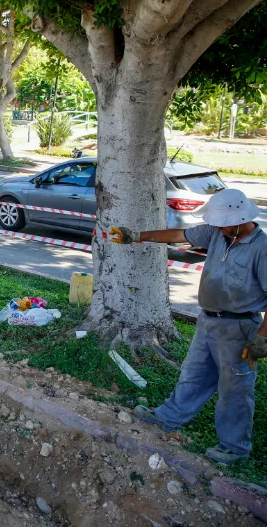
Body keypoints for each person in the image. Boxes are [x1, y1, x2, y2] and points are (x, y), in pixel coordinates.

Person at [109, 188, 267, 464]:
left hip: (239, 328)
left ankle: (234, 446)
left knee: (235, 389)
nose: (219, 227)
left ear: (242, 218)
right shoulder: (218, 233)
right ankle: (169, 418)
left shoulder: (262, 249)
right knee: (193, 373)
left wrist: (262, 339)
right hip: (208, 321)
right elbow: (179, 236)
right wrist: (137, 236)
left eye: (224, 223)